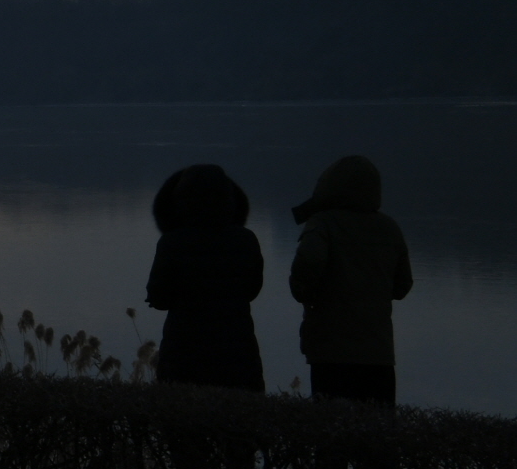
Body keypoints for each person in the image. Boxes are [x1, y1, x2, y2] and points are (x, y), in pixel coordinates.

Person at [290, 156, 413, 405]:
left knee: (331, 429)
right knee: (377, 432)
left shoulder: (323, 223)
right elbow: (402, 286)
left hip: (330, 351)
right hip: (379, 353)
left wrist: (305, 292)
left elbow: (308, 267)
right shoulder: (390, 228)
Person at [145, 165, 265, 391]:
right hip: (237, 351)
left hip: (183, 351)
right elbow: (252, 290)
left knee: (182, 417)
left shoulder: (172, 242)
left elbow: (159, 298)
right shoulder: (246, 239)